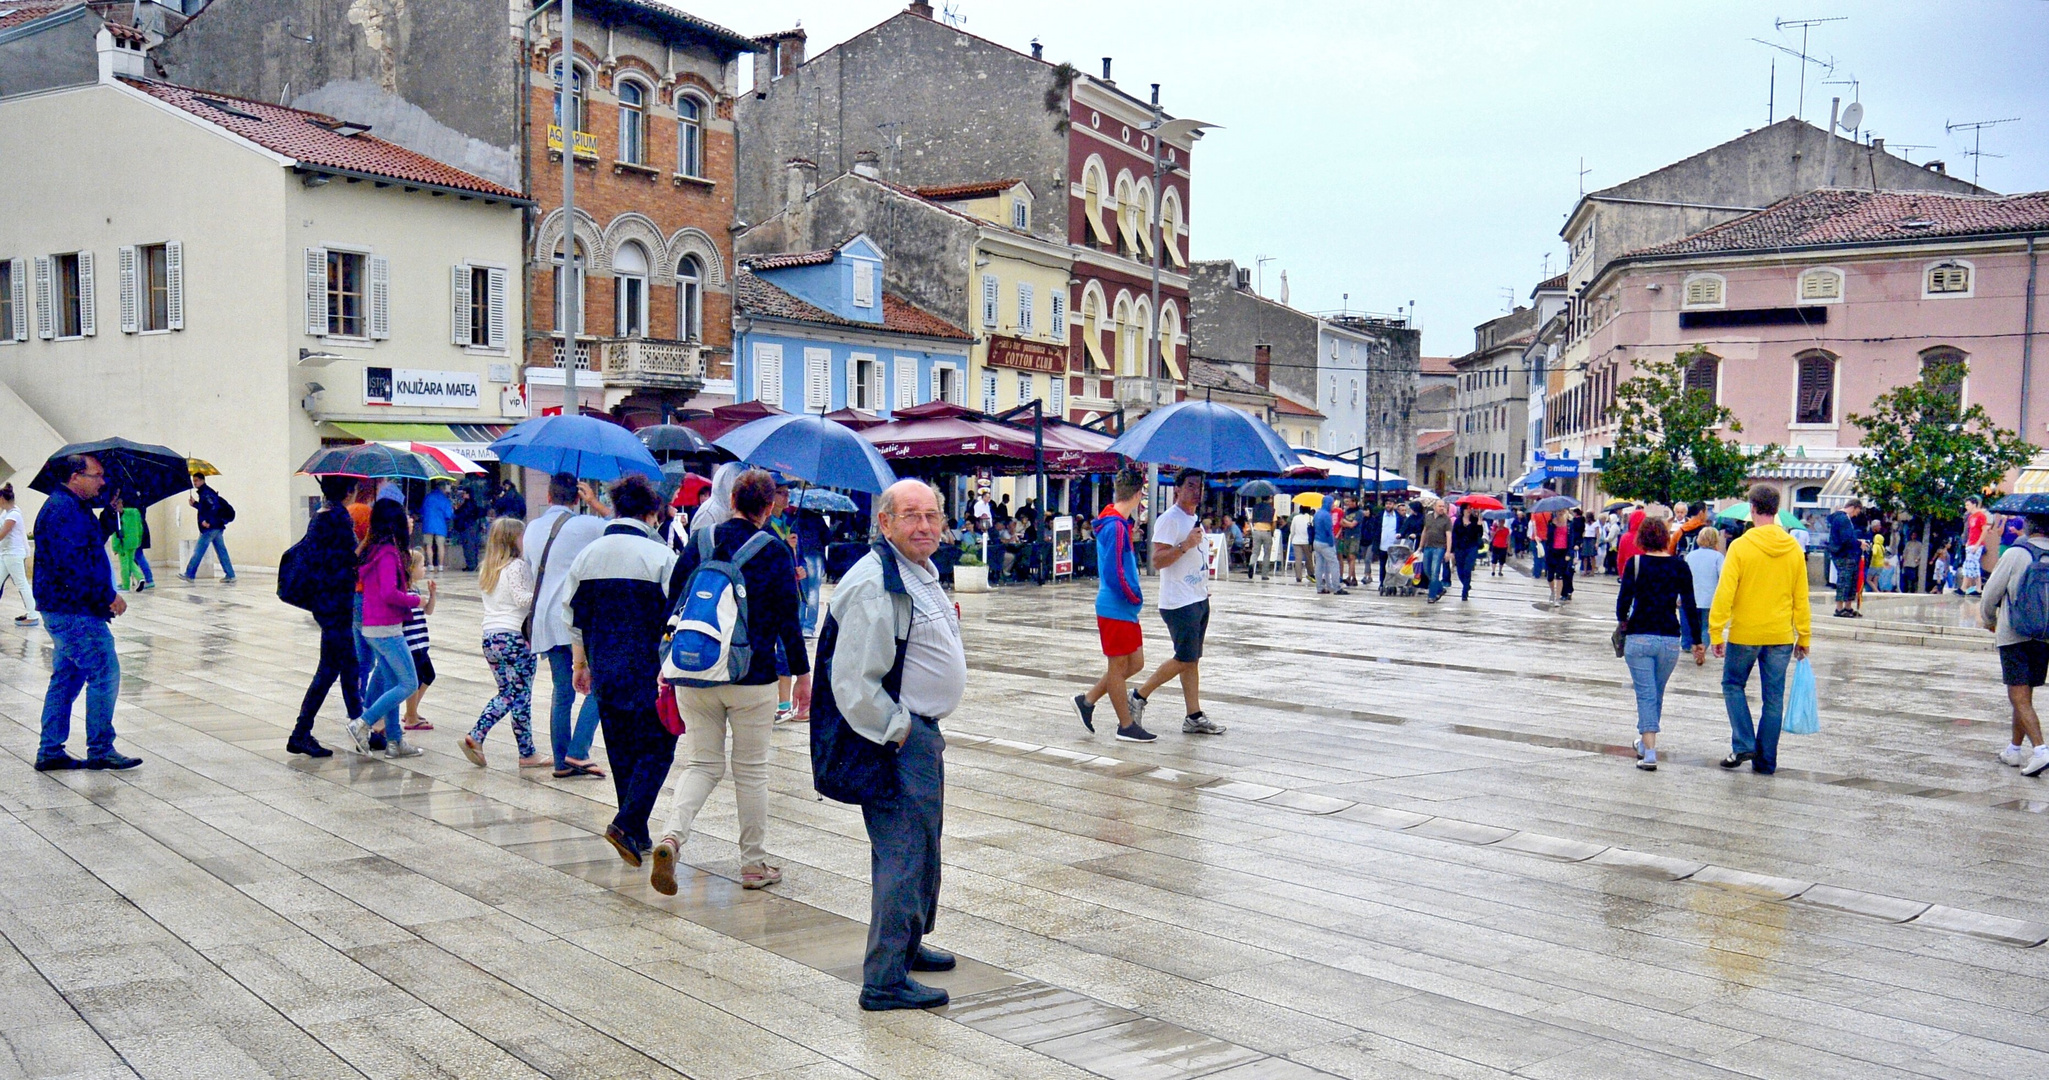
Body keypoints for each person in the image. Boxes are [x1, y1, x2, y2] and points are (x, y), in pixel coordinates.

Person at [810, 479, 965, 1012]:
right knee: (904, 854)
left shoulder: (915, 570)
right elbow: (853, 681)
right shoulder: (877, 583)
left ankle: (908, 943)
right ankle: (884, 980)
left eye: (932, 516)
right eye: (911, 517)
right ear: (885, 522)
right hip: (894, 740)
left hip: (917, 733)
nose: (924, 526)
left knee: (925, 849)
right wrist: (900, 730)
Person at [651, 469, 808, 894]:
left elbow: (672, 606)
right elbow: (788, 621)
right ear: (769, 505)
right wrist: (801, 674)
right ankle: (754, 865)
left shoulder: (700, 542)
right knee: (751, 771)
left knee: (702, 763)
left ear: (732, 500)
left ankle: (671, 838)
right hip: (752, 676)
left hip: (695, 672)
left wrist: (664, 665)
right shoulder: (774, 551)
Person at [564, 475, 680, 864]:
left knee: (621, 750)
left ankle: (636, 832)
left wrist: (581, 663)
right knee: (660, 745)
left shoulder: (588, 556)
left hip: (604, 667)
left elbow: (574, 617)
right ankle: (627, 822)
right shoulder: (662, 556)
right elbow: (675, 617)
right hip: (649, 671)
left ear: (615, 509)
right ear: (651, 513)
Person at [31, 454, 139, 771]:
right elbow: (73, 565)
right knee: (105, 672)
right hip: (74, 611)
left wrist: (109, 516)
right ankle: (101, 748)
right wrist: (107, 596)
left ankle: (50, 750)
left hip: (66, 608)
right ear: (77, 476)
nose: (102, 481)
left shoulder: (70, 507)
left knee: (66, 678)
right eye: (97, 475)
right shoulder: (63, 509)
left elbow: (88, 546)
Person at [1706, 485, 1812, 776]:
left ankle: (1743, 743)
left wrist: (1716, 631)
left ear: (1752, 508)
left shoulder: (1741, 546)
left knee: (1732, 685)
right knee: (1773, 698)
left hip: (1745, 633)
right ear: (1777, 510)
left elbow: (1725, 592)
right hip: (1780, 635)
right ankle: (1766, 761)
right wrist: (1803, 636)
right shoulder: (1793, 549)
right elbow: (1800, 597)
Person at [526, 473, 611, 779]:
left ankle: (562, 761)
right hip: (577, 618)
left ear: (548, 496)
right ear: (576, 497)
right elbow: (627, 528)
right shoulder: (588, 525)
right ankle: (578, 750)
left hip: (544, 620)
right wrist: (595, 503)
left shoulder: (532, 529)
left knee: (562, 691)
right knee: (601, 685)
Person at [1131, 471, 1227, 737]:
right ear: (1177, 490)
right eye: (1191, 486)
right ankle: (1138, 696)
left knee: (1192, 660)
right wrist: (1185, 545)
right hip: (1179, 602)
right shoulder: (1169, 520)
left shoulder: (1194, 520)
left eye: (1200, 487)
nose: (1196, 491)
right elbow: (1158, 560)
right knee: (1184, 658)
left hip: (1197, 597)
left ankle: (1193, 715)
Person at [1616, 516, 1704, 772]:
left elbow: (1622, 604)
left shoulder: (1636, 563)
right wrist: (1697, 641)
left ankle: (1650, 752)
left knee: (1646, 694)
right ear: (1666, 538)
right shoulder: (1679, 566)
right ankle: (1644, 745)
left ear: (1642, 538)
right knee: (1656, 692)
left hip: (1640, 636)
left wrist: (1623, 621)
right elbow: (1689, 605)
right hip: (1669, 639)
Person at [288, 475, 366, 758]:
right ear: (347, 491)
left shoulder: (321, 514)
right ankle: (300, 733)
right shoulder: (337, 518)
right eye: (355, 488)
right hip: (335, 604)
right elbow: (347, 560)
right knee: (332, 670)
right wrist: (367, 540)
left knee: (346, 667)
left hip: (327, 603)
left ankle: (361, 727)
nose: (356, 491)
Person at [1074, 466, 1153, 742]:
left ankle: (1088, 700)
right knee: (1119, 668)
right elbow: (1114, 570)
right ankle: (1125, 725)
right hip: (1117, 605)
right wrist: (1133, 595)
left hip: (1123, 608)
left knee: (1135, 662)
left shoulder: (1117, 523)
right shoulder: (1116, 526)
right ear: (1139, 494)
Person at [344, 500, 426, 759]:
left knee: (392, 682)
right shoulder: (388, 552)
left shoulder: (371, 548)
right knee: (409, 682)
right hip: (387, 628)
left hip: (373, 625)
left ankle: (395, 741)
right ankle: (362, 723)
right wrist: (416, 600)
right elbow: (390, 593)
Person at [1980, 514, 2049, 776]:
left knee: (2017, 696)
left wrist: (1988, 619)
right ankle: (2014, 750)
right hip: (2044, 635)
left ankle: (2041, 750)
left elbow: (1991, 592)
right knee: (2025, 696)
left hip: (2014, 633)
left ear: (2029, 527)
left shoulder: (2016, 553)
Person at [181, 471, 236, 582]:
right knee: (221, 551)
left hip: (210, 528)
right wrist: (195, 504)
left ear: (202, 480)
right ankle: (230, 575)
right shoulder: (205, 493)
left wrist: (208, 522)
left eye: (196, 480)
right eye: (193, 480)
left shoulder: (206, 493)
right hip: (217, 526)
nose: (194, 483)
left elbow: (213, 508)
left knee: (199, 550)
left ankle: (189, 574)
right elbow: (206, 508)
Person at [0, 484, 36, 625]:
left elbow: (2, 534)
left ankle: (32, 615)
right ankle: (31, 613)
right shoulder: (6, 513)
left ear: (2, 499)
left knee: (21, 583)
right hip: (5, 553)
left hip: (13, 554)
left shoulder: (14, 514)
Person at [1826, 499, 1869, 618]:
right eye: (1857, 511)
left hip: (1843, 553)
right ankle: (1839, 609)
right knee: (1845, 581)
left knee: (1850, 580)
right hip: (1844, 555)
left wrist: (1857, 541)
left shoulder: (1840, 518)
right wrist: (1859, 544)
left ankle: (1848, 607)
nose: (1856, 515)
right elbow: (1846, 539)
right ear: (1853, 507)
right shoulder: (1843, 518)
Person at [1685, 524, 1726, 625]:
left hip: (1691, 597)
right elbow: (1723, 577)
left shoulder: (1690, 556)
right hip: (1710, 599)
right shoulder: (1718, 557)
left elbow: (1683, 579)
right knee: (1706, 629)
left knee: (1688, 633)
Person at [1419, 502, 1451, 603]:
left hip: (1439, 548)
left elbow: (1449, 536)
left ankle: (1432, 596)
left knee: (1434, 572)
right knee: (1427, 570)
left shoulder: (1446, 520)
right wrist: (1421, 546)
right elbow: (1425, 531)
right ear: (1434, 507)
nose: (1442, 508)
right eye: (1440, 506)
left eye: (1443, 506)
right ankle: (1440, 589)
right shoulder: (1428, 517)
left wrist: (1448, 551)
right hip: (1428, 547)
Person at [1451, 505, 1484, 601]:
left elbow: (1479, 534)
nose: (1469, 510)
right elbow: (1454, 535)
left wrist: (1479, 525)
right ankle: (1466, 584)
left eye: (1470, 508)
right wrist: (1452, 550)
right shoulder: (1458, 521)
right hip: (1460, 548)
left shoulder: (1475, 520)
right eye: (1467, 508)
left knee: (1467, 569)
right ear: (1463, 510)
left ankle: (1464, 592)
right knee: (1460, 570)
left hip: (1471, 547)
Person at [1310, 498, 1343, 595]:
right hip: (1326, 543)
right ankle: (1336, 587)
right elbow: (1329, 531)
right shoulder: (1327, 515)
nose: (1333, 505)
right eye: (1332, 504)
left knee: (1319, 565)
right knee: (1334, 564)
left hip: (1316, 541)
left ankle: (1320, 587)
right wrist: (1332, 543)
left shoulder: (1317, 514)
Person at [420, 482, 454, 573]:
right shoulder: (445, 499)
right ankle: (440, 566)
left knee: (428, 545)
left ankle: (430, 565)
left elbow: (422, 511)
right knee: (440, 546)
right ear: (443, 489)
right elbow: (449, 515)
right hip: (440, 525)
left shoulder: (427, 497)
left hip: (428, 524)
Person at [1960, 495, 1989, 595]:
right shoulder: (1971, 517)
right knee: (1972, 565)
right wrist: (1968, 541)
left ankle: (1964, 587)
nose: (1966, 507)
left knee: (1971, 564)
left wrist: (1977, 544)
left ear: (1974, 505)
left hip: (1977, 544)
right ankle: (1978, 588)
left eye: (1968, 505)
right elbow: (1971, 530)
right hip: (1971, 543)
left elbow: (1984, 530)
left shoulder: (1981, 516)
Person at [452, 487, 485, 572]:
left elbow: (464, 514)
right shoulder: (470, 503)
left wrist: (457, 510)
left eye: (465, 493)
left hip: (468, 527)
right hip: (470, 527)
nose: (463, 495)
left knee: (469, 546)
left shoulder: (469, 504)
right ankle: (472, 564)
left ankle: (471, 565)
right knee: (471, 546)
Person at [1247, 495, 1275, 580]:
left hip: (1256, 531)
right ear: (1268, 499)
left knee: (1255, 552)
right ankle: (1264, 575)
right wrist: (1272, 532)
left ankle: (1251, 564)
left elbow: (1250, 520)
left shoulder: (1255, 507)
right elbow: (1274, 523)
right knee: (1267, 554)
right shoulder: (1272, 509)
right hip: (1267, 532)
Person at [1334, 497, 1358, 587]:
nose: (1347, 503)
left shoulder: (1358, 513)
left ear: (1355, 502)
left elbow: (1352, 525)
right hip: (1346, 537)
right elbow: (1341, 523)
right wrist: (1345, 522)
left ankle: (1349, 577)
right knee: (1348, 558)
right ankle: (1354, 578)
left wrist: (1344, 521)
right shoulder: (1346, 512)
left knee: (1351, 557)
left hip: (1355, 537)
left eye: (1349, 501)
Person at [1288, 505, 1313, 584]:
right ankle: (1311, 574)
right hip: (1307, 541)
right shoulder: (1311, 518)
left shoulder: (1295, 518)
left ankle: (1298, 577)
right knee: (1309, 559)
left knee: (1298, 560)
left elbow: (1292, 531)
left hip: (1297, 541)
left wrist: (1292, 539)